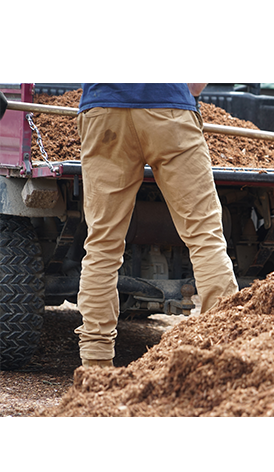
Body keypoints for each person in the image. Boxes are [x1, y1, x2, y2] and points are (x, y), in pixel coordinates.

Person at [75, 83, 239, 368]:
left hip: (103, 111)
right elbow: (197, 84)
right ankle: (226, 353)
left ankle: (95, 363)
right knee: (205, 237)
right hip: (169, 110)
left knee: (102, 244)